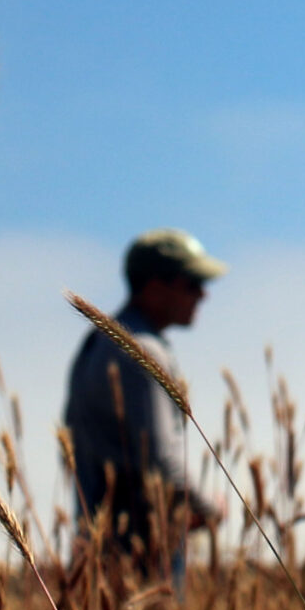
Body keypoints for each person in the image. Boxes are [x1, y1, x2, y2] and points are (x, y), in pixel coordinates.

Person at [64, 228, 226, 585]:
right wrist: (210, 509)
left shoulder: (95, 344)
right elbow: (160, 457)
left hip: (99, 543)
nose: (203, 294)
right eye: (193, 282)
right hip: (144, 548)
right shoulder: (141, 352)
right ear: (155, 285)